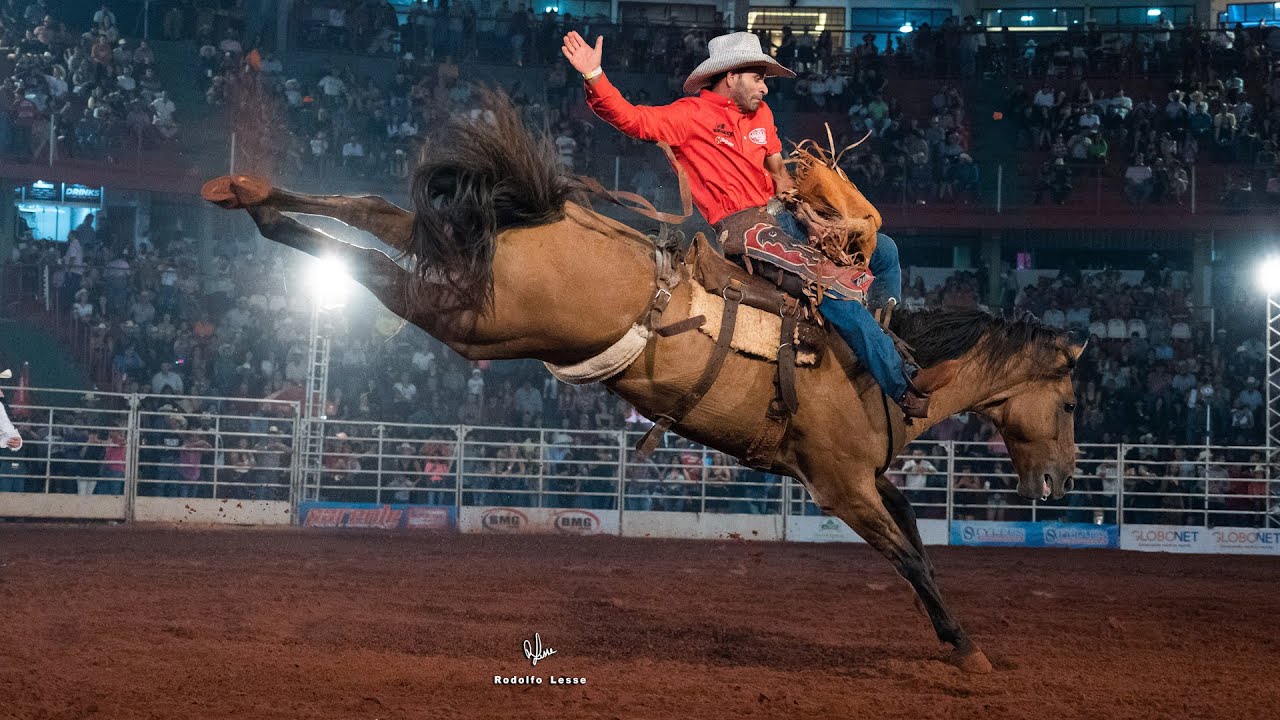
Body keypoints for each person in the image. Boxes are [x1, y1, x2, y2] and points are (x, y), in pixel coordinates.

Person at [561, 30, 942, 417]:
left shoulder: (762, 115)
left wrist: (808, 214)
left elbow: (779, 174)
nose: (765, 87)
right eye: (758, 78)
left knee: (884, 249)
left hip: (785, 215)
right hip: (743, 228)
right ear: (731, 77)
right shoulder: (689, 115)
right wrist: (595, 75)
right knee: (827, 285)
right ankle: (904, 386)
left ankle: (889, 332)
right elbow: (632, 119)